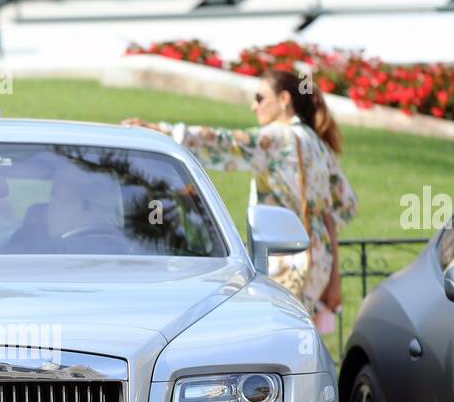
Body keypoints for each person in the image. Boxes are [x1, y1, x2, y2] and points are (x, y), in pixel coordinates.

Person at [125, 69, 357, 329]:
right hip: (318, 263)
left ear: (283, 99)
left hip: (285, 260)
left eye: (259, 98)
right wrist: (334, 276)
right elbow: (343, 207)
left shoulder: (277, 138)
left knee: (272, 338)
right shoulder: (318, 144)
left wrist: (161, 131)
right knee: (297, 340)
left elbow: (223, 142)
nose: (253, 106)